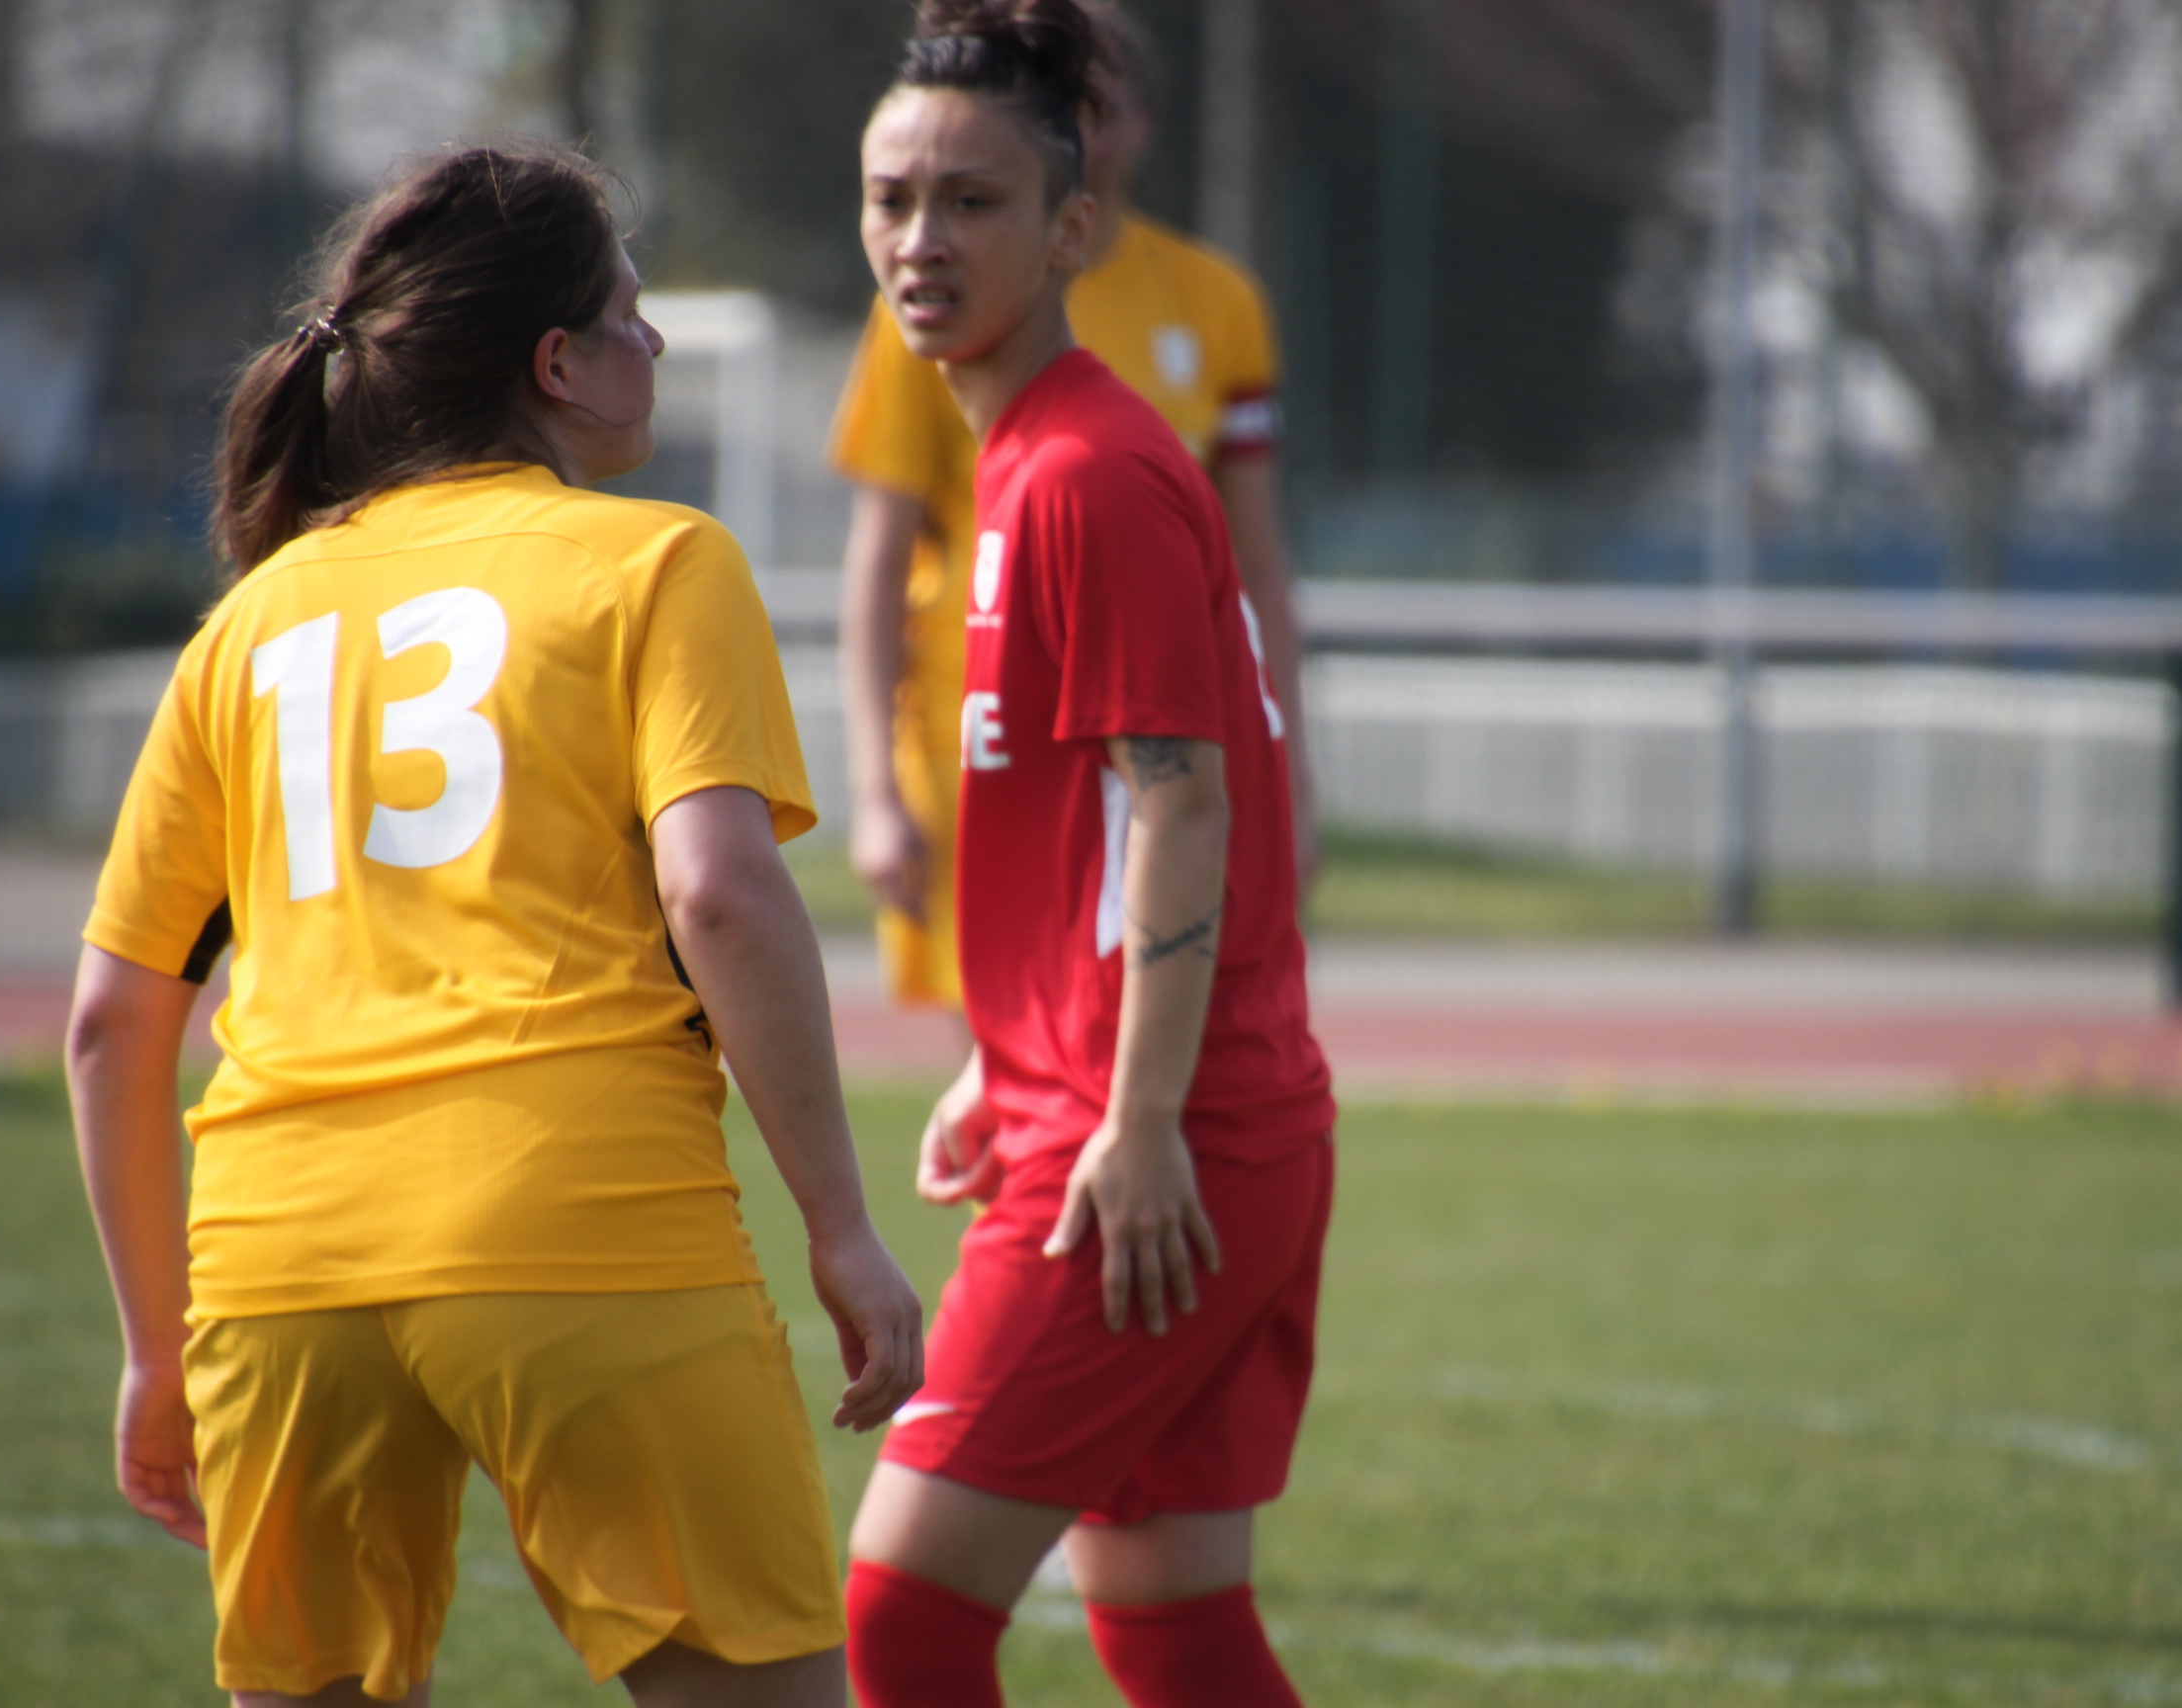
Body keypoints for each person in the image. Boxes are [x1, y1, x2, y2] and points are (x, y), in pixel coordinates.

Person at [64, 142, 922, 1708]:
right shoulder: (659, 559)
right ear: (556, 364)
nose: (651, 343)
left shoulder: (246, 623)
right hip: (581, 1219)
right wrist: (844, 1229)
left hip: (281, 1262)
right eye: (628, 312)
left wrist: (152, 1347)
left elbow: (113, 1021)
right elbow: (721, 893)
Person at [837, 6, 1335, 1706]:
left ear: (1069, 230)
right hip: (1157, 1116)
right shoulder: (1026, 456)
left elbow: (1183, 803)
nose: (921, 239)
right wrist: (1010, 1050)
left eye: (972, 201)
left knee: (903, 1613)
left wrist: (1131, 1117)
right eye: (892, 197)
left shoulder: (1082, 473)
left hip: (1155, 1146)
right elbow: (1104, 823)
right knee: (1173, 1625)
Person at [830, 0, 1316, 1021]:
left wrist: (1291, 774)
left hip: (1150, 738)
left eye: (1102, 101)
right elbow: (877, 559)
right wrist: (875, 789)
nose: (923, 239)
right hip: (981, 735)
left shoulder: (1189, 331)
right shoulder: (926, 308)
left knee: (1136, 1042)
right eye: (890, 200)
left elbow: (1258, 562)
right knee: (1011, 1068)